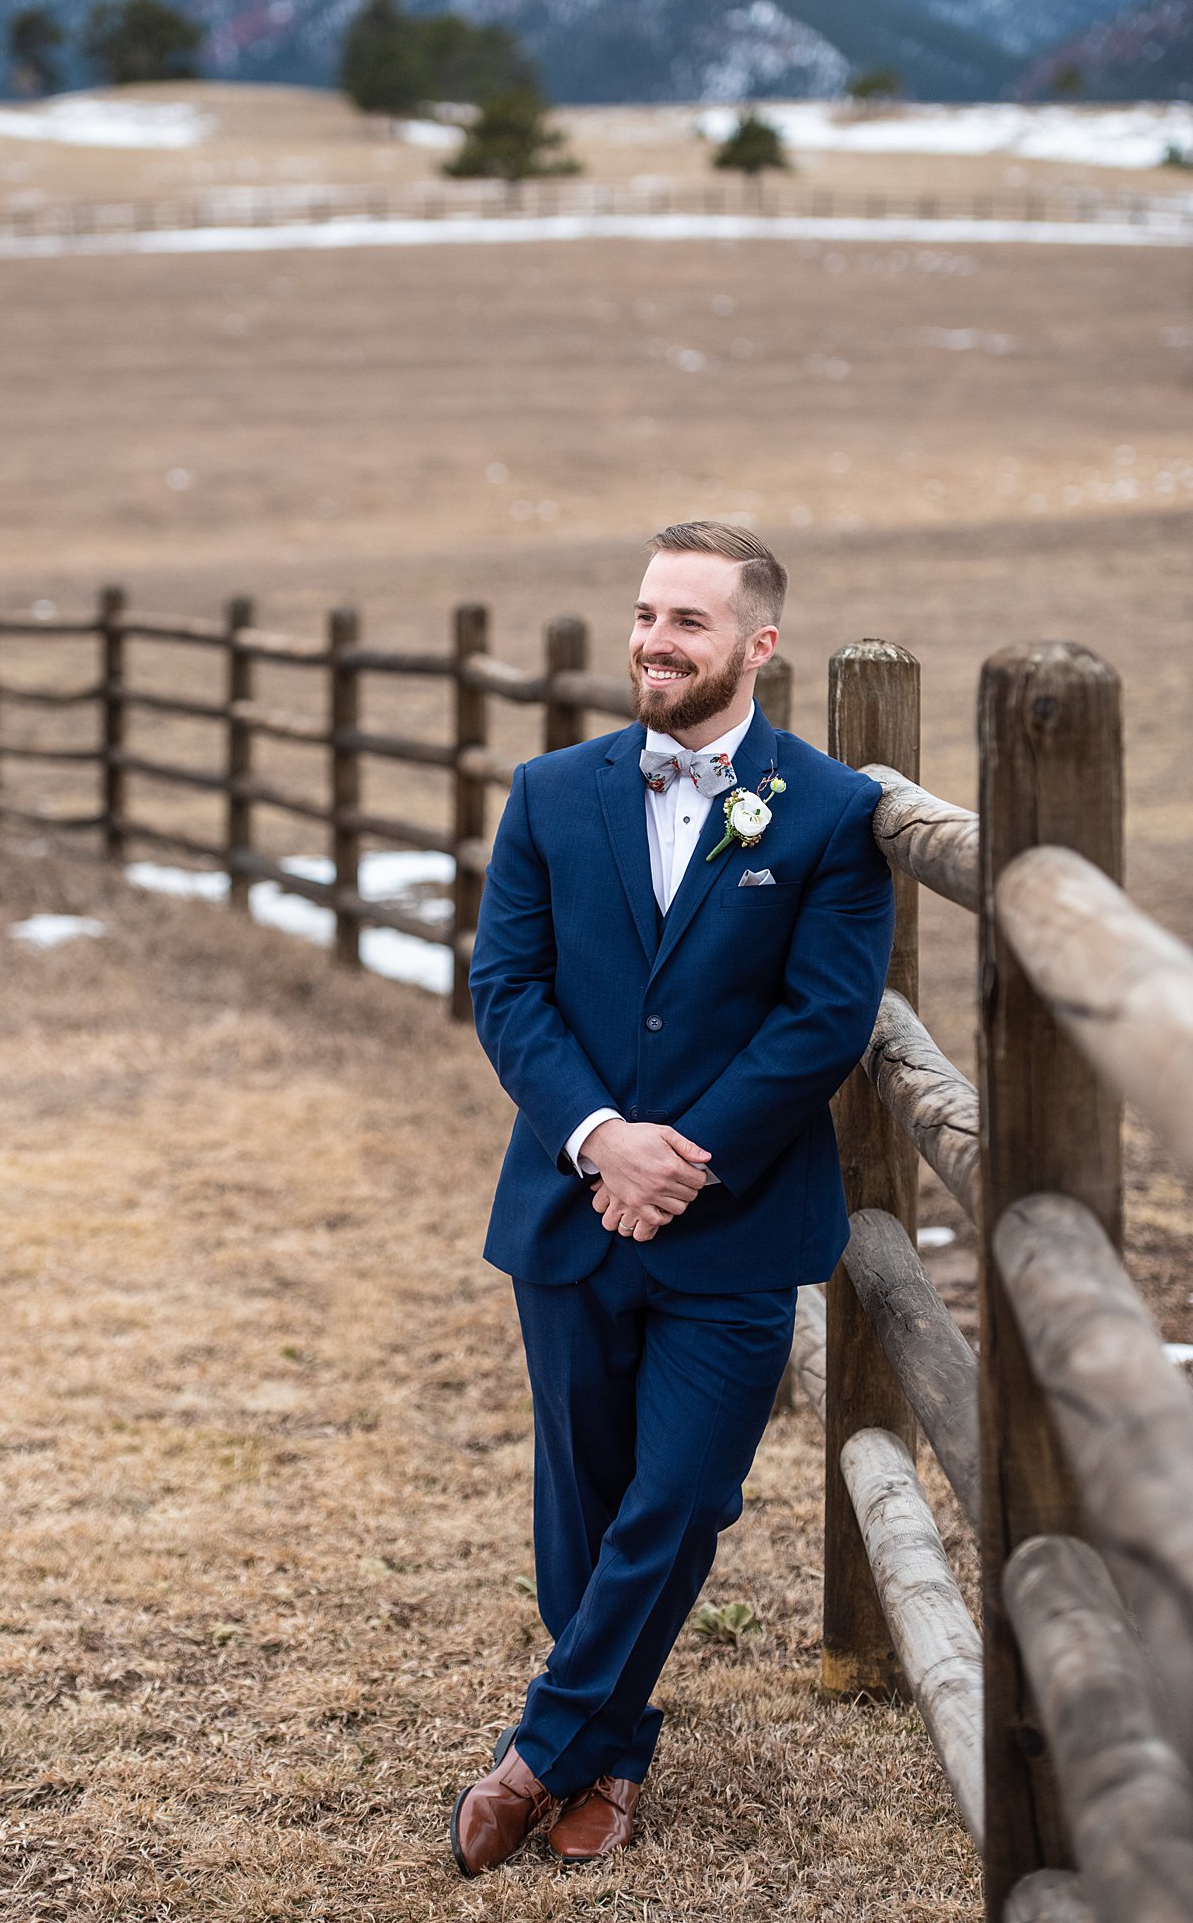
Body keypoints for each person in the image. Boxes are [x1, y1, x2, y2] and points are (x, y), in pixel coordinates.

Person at [454, 520, 894, 1874]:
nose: (655, 639)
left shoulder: (824, 813)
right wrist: (602, 1140)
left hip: (741, 1224)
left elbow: (821, 1023)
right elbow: (508, 992)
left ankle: (540, 1748)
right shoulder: (550, 792)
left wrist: (681, 1157)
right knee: (584, 1502)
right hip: (571, 1211)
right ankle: (612, 1755)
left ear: (758, 645)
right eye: (647, 613)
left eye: (688, 621)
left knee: (684, 1495)